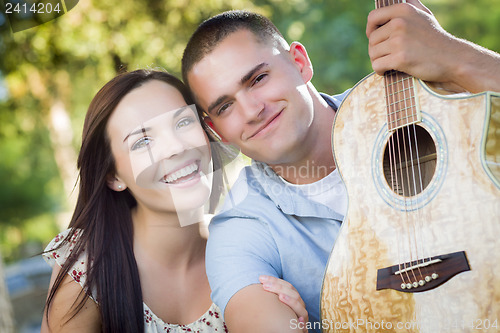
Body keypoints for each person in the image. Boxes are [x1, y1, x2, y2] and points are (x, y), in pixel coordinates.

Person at [180, 1, 500, 332]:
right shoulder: (240, 227)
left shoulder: (423, 103)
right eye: (226, 106)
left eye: (259, 78)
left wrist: (455, 56)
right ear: (217, 131)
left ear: (300, 63)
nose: (251, 110)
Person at [41, 69, 309, 333]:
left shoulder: (251, 250)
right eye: (142, 141)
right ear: (113, 176)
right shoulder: (86, 265)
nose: (177, 147)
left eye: (183, 123)